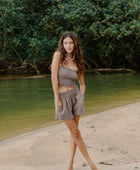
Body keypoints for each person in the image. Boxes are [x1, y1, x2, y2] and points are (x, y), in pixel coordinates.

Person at [51, 32, 97, 170]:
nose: (68, 45)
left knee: (74, 132)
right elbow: (53, 77)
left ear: (75, 43)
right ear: (62, 44)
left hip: (75, 97)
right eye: (66, 43)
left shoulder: (78, 60)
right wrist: (57, 98)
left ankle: (70, 164)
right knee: (75, 132)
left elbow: (82, 84)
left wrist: (81, 98)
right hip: (62, 97)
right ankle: (91, 164)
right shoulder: (58, 56)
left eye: (71, 43)